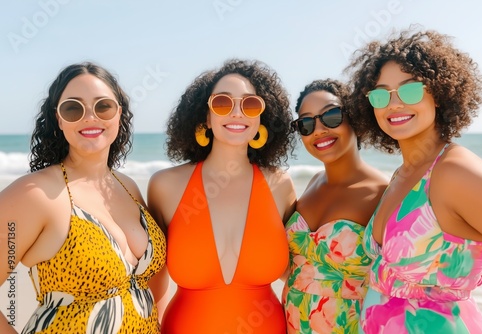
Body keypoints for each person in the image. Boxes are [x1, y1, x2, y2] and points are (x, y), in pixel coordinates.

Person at [344, 28, 482, 333]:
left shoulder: (454, 172)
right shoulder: (402, 174)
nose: (394, 103)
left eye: (410, 90)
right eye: (380, 94)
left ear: (439, 94)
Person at [0, 62, 167, 334]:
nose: (90, 117)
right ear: (59, 119)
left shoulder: (128, 187)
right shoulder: (36, 195)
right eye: (73, 108)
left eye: (103, 106)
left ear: (119, 114)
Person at [147, 58, 296, 333]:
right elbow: (154, 282)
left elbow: (299, 275)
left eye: (249, 104)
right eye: (223, 103)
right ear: (206, 116)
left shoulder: (280, 185)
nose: (237, 113)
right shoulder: (165, 186)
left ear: (262, 116)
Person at [282, 79, 388, 333]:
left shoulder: (381, 193)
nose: (318, 130)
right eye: (306, 123)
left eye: (330, 115)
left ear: (356, 119)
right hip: (290, 323)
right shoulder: (312, 184)